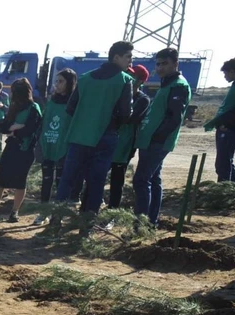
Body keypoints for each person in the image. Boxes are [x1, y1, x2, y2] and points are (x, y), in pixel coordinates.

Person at [55, 41, 134, 215]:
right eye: (128, 57)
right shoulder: (124, 80)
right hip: (104, 138)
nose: (131, 62)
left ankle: (56, 220)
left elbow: (70, 108)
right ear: (116, 57)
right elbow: (126, 114)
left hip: (78, 137)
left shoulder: (85, 78)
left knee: (67, 180)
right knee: (96, 182)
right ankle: (87, 224)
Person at [132, 48, 192, 228]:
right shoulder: (167, 84)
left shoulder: (178, 86)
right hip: (150, 140)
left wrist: (157, 137)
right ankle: (151, 222)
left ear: (175, 64)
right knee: (153, 179)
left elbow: (174, 117)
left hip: (157, 142)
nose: (160, 68)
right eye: (158, 64)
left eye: (164, 63)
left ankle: (140, 225)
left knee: (141, 180)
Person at [0, 78, 42, 223]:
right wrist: (16, 127)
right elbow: (4, 126)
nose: (12, 96)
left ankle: (14, 212)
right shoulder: (14, 107)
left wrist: (16, 130)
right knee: (1, 180)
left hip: (25, 150)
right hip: (11, 147)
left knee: (20, 182)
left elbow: (31, 129)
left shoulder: (34, 108)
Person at [34, 69, 78, 225]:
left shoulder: (74, 103)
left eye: (61, 81)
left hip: (64, 148)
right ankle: (43, 212)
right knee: (46, 181)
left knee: (61, 182)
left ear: (70, 83)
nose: (57, 85)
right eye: (56, 81)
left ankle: (58, 215)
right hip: (48, 145)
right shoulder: (51, 101)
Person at [106, 65, 150, 210]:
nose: (129, 79)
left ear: (140, 81)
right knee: (96, 175)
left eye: (133, 77)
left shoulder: (143, 100)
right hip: (107, 141)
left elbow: (129, 119)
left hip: (125, 145)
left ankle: (112, 210)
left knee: (117, 180)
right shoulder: (117, 94)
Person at [205, 58, 235, 182]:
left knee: (223, 164)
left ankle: (223, 194)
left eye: (225, 73)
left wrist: (226, 124)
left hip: (228, 130)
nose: (225, 76)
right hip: (227, 128)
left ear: (233, 71)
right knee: (225, 163)